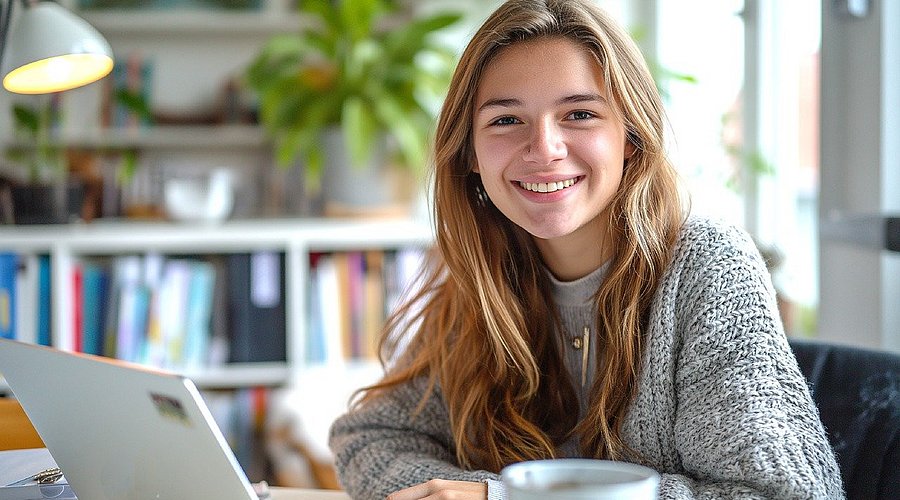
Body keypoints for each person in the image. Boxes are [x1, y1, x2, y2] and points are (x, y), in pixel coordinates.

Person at [328, 1, 844, 499]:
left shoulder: (708, 265)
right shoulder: (483, 272)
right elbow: (370, 439)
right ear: (470, 153)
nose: (545, 148)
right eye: (506, 120)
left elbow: (784, 495)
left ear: (632, 136)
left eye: (578, 114)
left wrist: (504, 498)